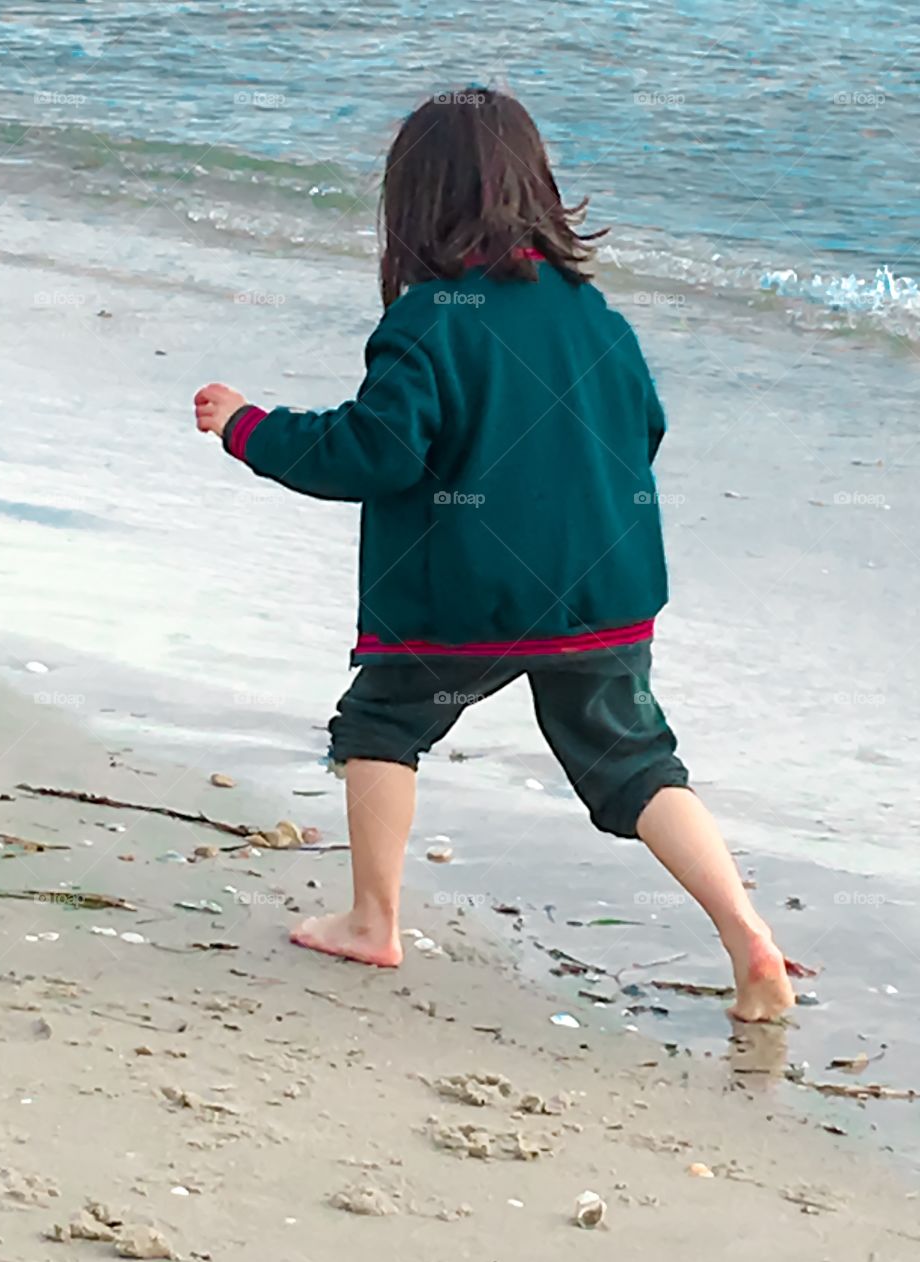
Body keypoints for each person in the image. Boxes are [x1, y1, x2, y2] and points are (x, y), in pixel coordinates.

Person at [194, 88, 795, 1021]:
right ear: (539, 193)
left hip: (462, 600)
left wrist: (250, 428)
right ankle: (747, 933)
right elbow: (647, 427)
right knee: (637, 764)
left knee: (382, 727)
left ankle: (372, 920)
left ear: (414, 207)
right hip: (605, 596)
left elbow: (374, 451)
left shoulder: (429, 319)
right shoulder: (596, 317)